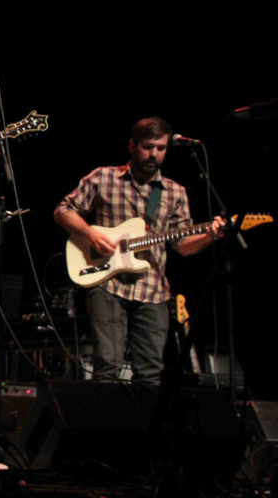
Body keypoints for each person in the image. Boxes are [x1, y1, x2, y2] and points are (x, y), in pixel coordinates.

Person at [54, 117, 224, 384]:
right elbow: (63, 210)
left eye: (161, 147)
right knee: (108, 366)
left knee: (150, 373)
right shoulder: (103, 177)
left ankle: (140, 426)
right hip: (107, 282)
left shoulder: (174, 192)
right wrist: (91, 234)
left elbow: (182, 246)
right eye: (148, 146)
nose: (154, 153)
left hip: (153, 290)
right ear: (132, 146)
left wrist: (209, 237)